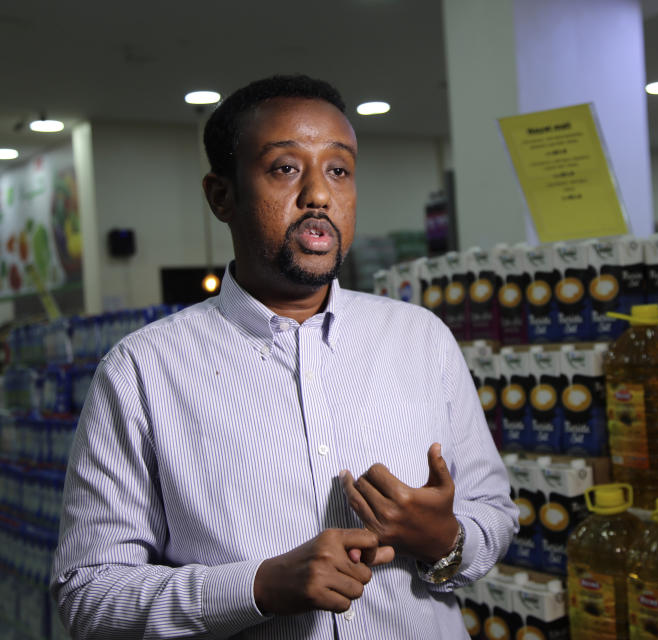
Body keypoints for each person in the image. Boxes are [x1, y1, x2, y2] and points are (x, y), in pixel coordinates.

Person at [51, 75, 518, 639]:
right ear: (221, 196)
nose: (319, 194)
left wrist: (443, 540)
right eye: (285, 168)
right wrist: (257, 588)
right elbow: (88, 595)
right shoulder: (142, 372)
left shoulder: (420, 338)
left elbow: (494, 513)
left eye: (339, 170)